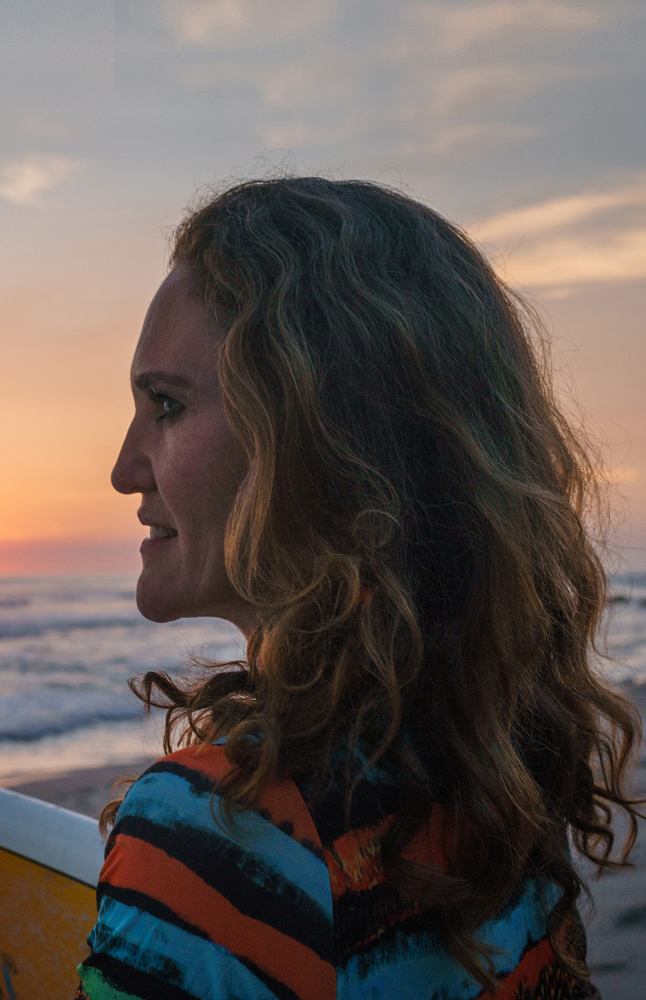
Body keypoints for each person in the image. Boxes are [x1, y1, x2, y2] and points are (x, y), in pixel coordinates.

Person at [74, 177, 643, 1000]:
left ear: (325, 445)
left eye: (166, 404)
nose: (124, 469)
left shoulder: (223, 831)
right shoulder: (501, 763)